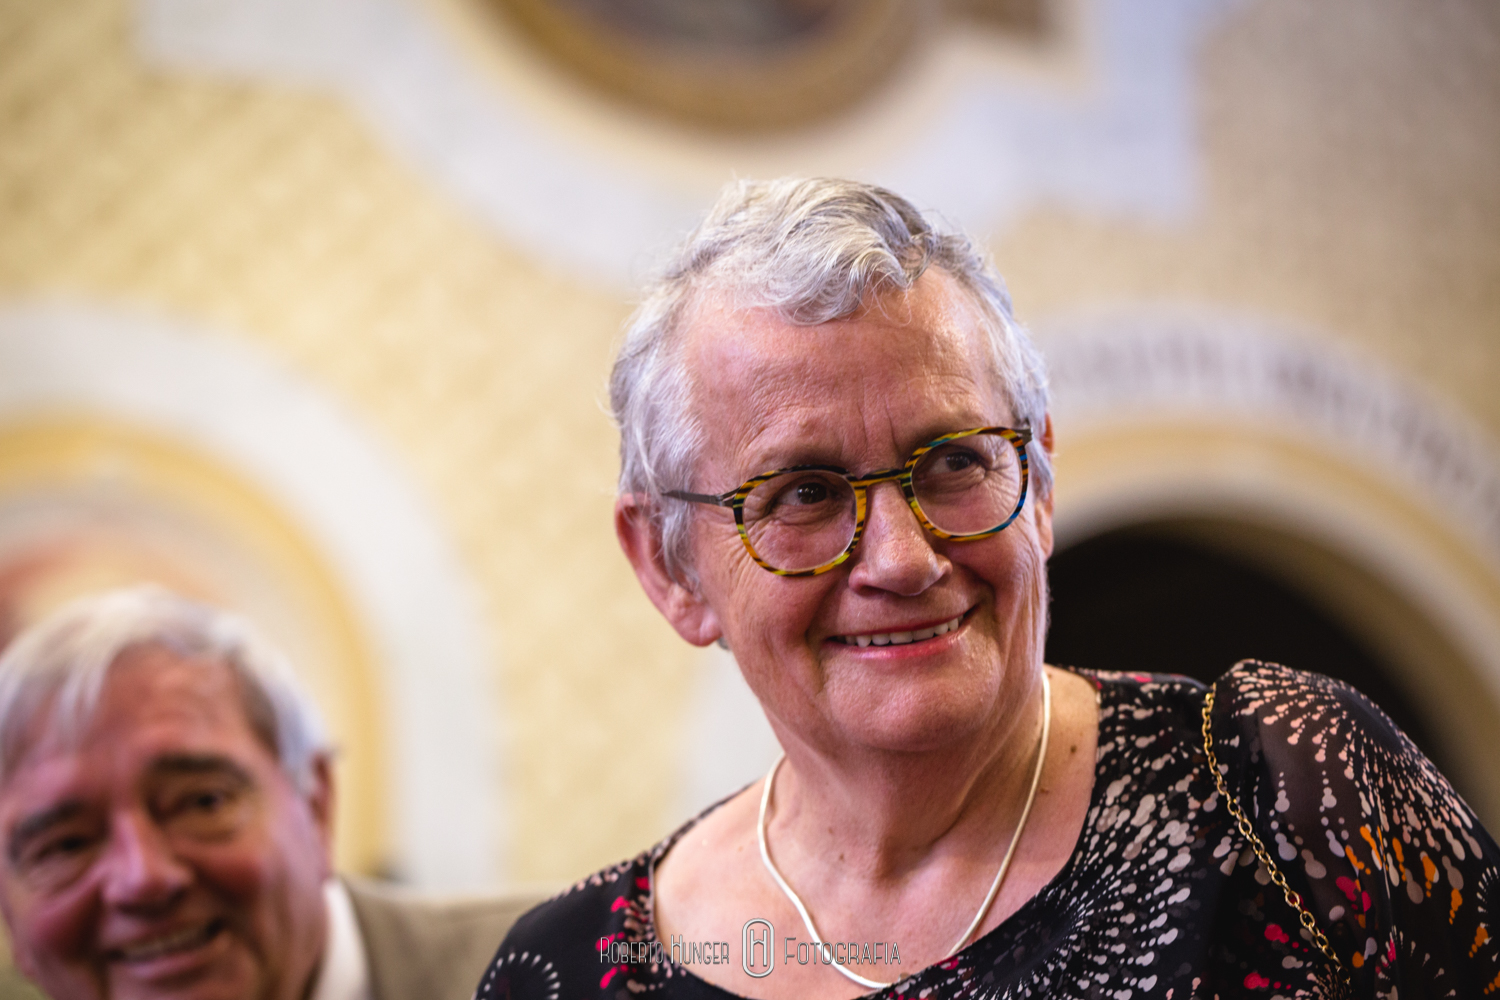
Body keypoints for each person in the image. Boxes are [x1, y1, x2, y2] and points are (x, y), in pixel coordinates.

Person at [479, 177, 1500, 999]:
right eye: (803, 492)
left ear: (1040, 479)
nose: (903, 557)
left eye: (954, 463)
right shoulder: (567, 972)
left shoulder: (1287, 796)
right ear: (669, 565)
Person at [0, 585, 534, 1000]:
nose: (142, 878)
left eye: (200, 803)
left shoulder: (586, 969)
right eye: (65, 846)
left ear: (317, 806)